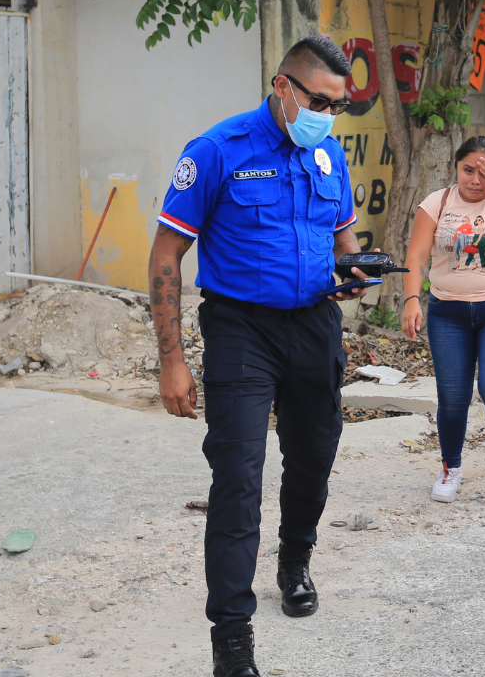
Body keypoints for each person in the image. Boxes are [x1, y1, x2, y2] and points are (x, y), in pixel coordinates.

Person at [147, 36, 370, 677]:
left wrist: (352, 271)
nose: (329, 116)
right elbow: (167, 255)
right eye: (321, 101)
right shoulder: (217, 151)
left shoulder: (328, 154)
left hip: (315, 326)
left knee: (312, 461)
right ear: (283, 88)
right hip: (241, 329)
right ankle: (233, 638)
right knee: (238, 477)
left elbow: (342, 238)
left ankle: (294, 558)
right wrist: (172, 359)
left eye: (339, 105)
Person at [400, 136, 485, 502]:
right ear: (456, 168)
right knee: (453, 398)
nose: (476, 179)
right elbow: (416, 254)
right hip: (448, 313)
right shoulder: (437, 202)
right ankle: (451, 468)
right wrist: (412, 299)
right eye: (468, 170)